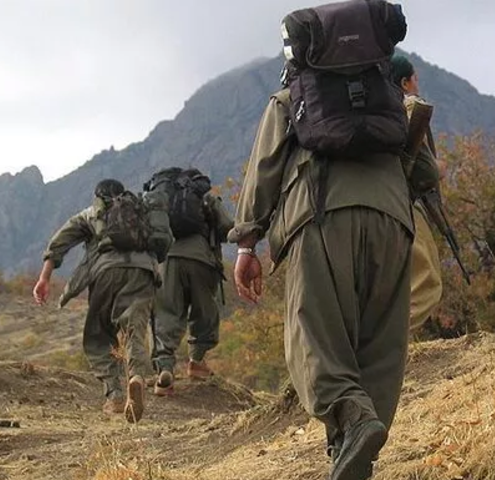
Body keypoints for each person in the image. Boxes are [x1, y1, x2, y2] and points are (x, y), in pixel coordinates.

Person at [230, 3, 414, 474]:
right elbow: (425, 171)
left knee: (311, 335)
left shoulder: (291, 99)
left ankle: (350, 420)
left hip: (321, 215)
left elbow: (264, 171)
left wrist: (247, 244)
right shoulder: (390, 95)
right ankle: (355, 455)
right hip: (393, 222)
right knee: (379, 344)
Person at [32, 179, 159, 423]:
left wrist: (44, 278)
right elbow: (163, 239)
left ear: (98, 197)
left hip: (106, 272)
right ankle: (137, 377)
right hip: (143, 272)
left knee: (99, 335)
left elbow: (59, 242)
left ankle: (114, 395)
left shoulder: (91, 214)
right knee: (135, 328)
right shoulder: (141, 211)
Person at [150, 170, 234, 395]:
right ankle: (196, 361)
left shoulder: (163, 200)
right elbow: (227, 227)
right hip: (201, 259)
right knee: (204, 310)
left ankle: (164, 370)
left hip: (167, 260)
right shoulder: (204, 196)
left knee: (167, 312)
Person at [391, 55, 445, 330]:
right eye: (415, 79)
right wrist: (436, 167)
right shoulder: (409, 108)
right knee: (426, 284)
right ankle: (381, 348)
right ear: (404, 82)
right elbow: (424, 172)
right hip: (401, 204)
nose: (417, 84)